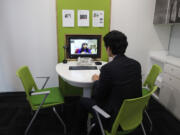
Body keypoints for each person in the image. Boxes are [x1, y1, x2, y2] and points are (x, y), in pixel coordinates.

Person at [72, 30, 142, 135]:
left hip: (113, 120)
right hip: (133, 115)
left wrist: (97, 80)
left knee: (83, 101)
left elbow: (98, 96)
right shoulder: (136, 64)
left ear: (108, 48)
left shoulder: (107, 69)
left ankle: (81, 132)